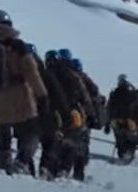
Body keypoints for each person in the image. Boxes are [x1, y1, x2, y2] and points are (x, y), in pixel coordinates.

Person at [0, 10, 49, 175]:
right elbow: (33, 75)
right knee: (31, 133)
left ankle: (4, 169)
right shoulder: (19, 48)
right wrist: (42, 97)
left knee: (3, 139)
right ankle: (21, 162)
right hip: (20, 101)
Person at [44, 49, 93, 180]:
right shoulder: (73, 75)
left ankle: (50, 169)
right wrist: (91, 113)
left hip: (50, 112)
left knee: (53, 141)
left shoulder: (49, 73)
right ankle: (65, 169)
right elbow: (85, 97)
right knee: (72, 142)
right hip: (73, 112)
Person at [34, 49, 69, 179]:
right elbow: (60, 97)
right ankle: (50, 169)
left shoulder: (41, 73)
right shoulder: (66, 74)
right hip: (53, 114)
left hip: (32, 113)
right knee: (53, 143)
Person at [69, 56, 101, 178]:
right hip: (85, 116)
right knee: (82, 143)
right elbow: (94, 97)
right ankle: (79, 169)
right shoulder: (85, 80)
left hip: (72, 114)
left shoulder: (70, 78)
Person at [106, 75, 138, 164]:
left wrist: (108, 122)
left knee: (120, 138)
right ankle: (127, 154)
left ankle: (123, 154)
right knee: (130, 139)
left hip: (118, 120)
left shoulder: (115, 93)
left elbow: (109, 108)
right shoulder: (134, 94)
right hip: (130, 121)